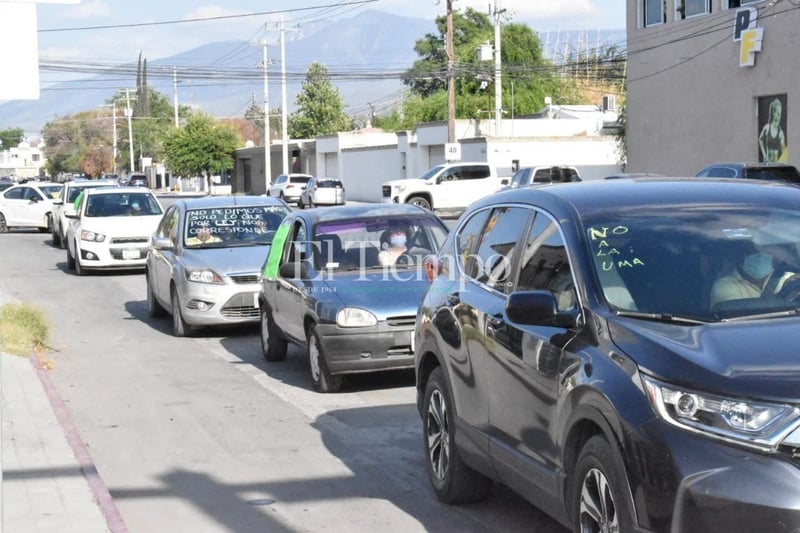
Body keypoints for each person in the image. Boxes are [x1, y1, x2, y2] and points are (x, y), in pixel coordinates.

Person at [710, 245, 795, 308]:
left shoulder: (785, 278)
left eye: (766, 251)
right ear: (739, 257)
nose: (761, 257)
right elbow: (740, 318)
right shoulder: (724, 286)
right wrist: (781, 299)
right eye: (752, 252)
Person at [759, 97, 787, 163]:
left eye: (780, 114)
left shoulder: (780, 133)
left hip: (775, 164)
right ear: (774, 113)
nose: (779, 116)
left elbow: (784, 153)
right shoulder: (767, 127)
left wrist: (781, 163)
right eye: (778, 114)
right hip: (767, 163)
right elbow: (760, 139)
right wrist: (764, 154)